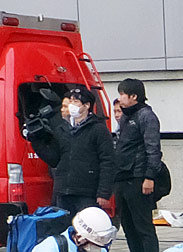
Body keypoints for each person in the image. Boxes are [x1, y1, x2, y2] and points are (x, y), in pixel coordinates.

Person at [24, 87, 115, 215]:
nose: (72, 105)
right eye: (70, 101)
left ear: (87, 105)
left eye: (76, 102)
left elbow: (107, 162)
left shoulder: (98, 130)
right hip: (63, 191)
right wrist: (36, 141)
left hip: (87, 192)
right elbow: (54, 159)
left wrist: (104, 193)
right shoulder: (62, 129)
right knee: (64, 228)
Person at [113, 78, 162, 252]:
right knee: (128, 225)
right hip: (122, 177)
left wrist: (149, 176)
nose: (120, 98)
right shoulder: (126, 117)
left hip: (138, 177)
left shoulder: (146, 116)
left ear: (133, 96)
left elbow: (153, 148)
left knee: (143, 225)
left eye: (123, 94)